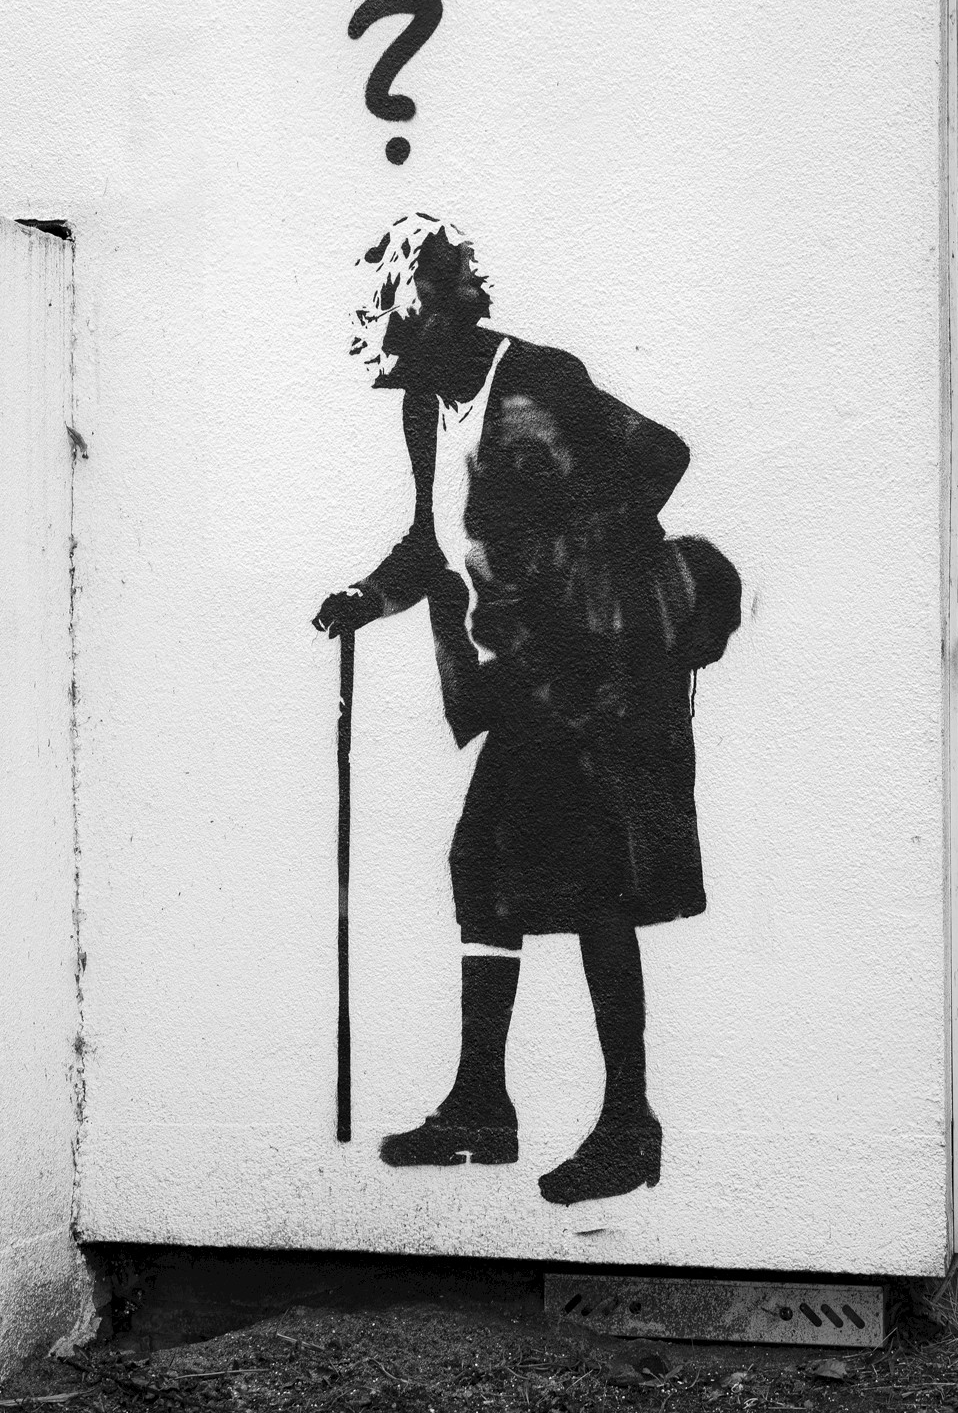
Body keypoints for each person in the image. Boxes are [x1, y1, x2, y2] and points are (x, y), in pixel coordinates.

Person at [314, 215, 741, 1202]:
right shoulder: (427, 408)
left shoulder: (540, 381)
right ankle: (484, 1105)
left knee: (594, 886)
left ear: (434, 310)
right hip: (526, 681)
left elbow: (661, 456)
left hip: (595, 674)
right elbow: (431, 541)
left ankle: (625, 1125)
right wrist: (368, 597)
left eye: (397, 328)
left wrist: (577, 563)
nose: (391, 356)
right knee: (487, 868)